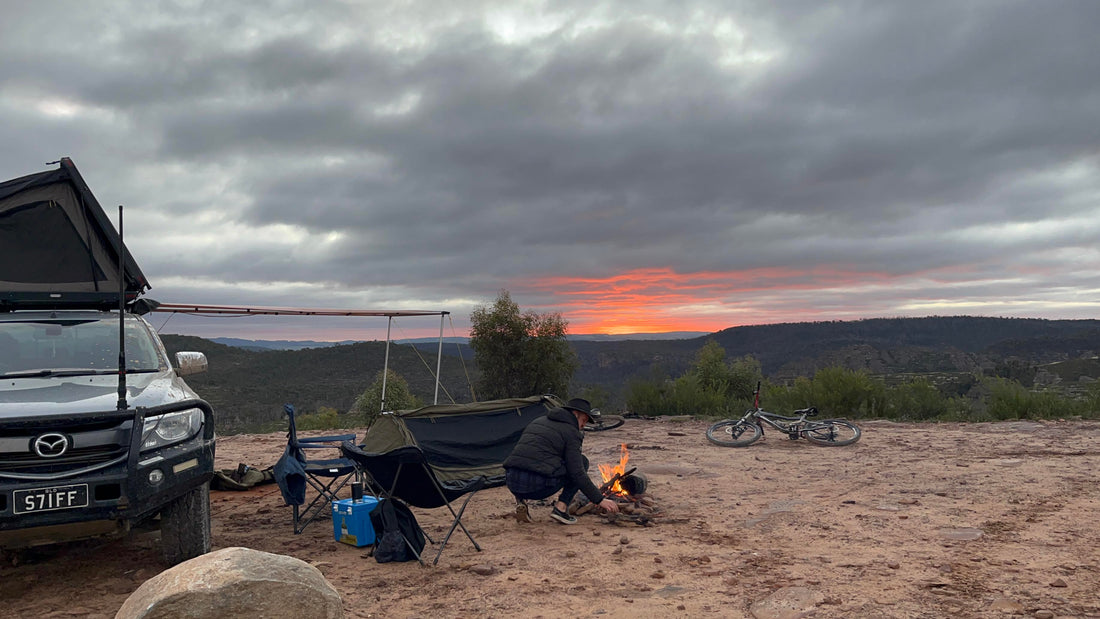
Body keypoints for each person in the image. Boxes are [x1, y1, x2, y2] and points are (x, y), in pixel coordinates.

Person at [503, 397, 620, 524]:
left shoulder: (538, 421)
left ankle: (521, 502)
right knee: (582, 462)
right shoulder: (571, 432)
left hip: (511, 482)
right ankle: (561, 509)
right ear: (575, 414)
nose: (583, 425)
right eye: (583, 420)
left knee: (526, 463)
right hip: (537, 488)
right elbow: (577, 472)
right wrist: (600, 500)